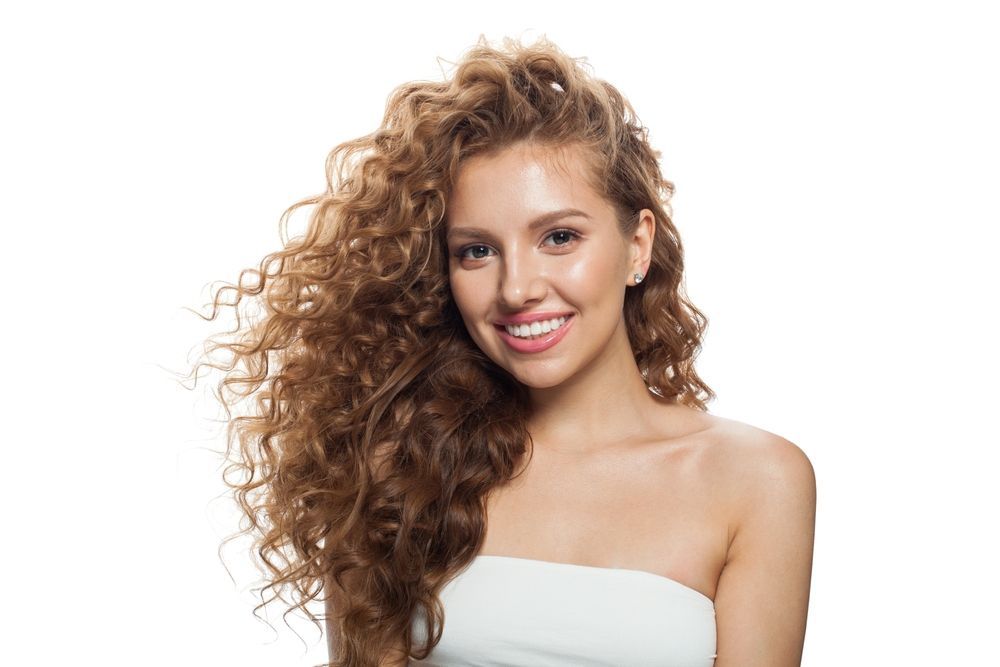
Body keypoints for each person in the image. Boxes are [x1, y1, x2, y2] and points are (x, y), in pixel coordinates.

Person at [192, 35, 816, 667]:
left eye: (560, 236)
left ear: (637, 246)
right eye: (477, 251)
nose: (516, 289)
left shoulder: (757, 480)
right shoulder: (399, 467)